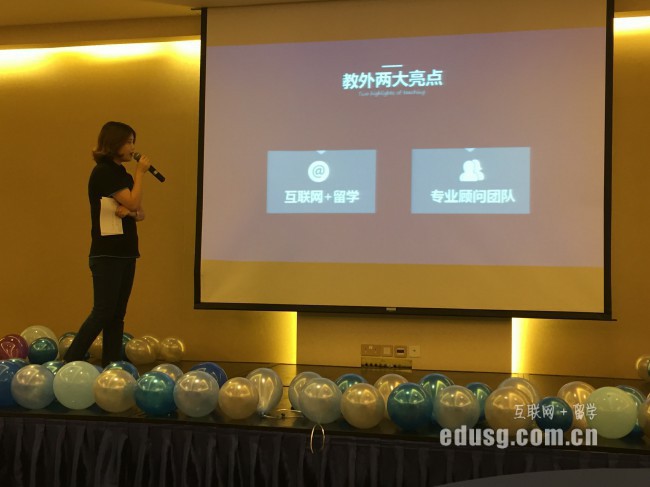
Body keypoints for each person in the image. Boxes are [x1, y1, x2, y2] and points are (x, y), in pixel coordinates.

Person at [64, 121, 151, 367]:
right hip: (107, 254)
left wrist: (131, 211)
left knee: (117, 315)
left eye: (133, 142)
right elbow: (133, 202)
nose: (133, 147)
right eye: (128, 142)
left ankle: (111, 365)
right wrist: (141, 174)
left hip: (127, 251)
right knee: (103, 310)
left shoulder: (122, 174)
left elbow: (140, 212)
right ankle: (70, 360)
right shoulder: (104, 172)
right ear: (114, 144)